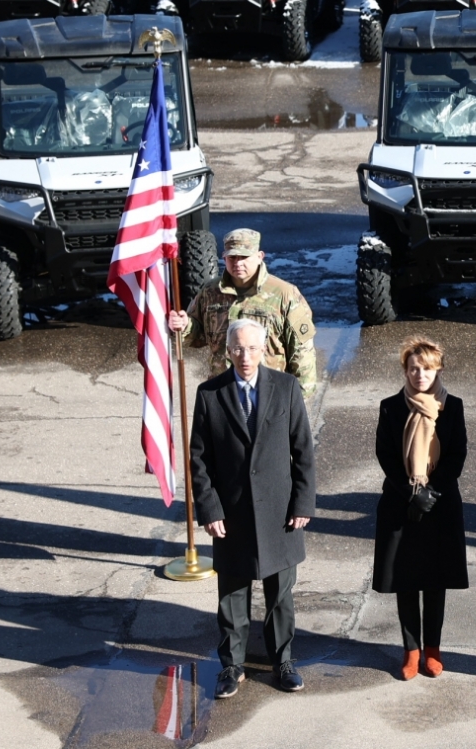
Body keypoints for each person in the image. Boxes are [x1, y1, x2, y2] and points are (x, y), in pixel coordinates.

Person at [189, 318, 317, 699]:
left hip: (280, 513)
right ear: (228, 351)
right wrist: (209, 510)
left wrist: (303, 502)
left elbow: (303, 452)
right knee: (232, 597)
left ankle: (284, 662)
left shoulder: (286, 387)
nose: (245, 356)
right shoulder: (210, 394)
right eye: (238, 348)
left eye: (253, 348)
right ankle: (232, 665)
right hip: (232, 516)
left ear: (265, 350)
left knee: (281, 595)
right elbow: (199, 460)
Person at [373, 337, 469, 682]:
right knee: (405, 581)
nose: (419, 375)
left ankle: (433, 650)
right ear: (405, 370)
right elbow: (385, 454)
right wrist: (410, 493)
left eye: (426, 369)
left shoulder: (452, 406)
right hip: (401, 504)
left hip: (440, 506)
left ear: (437, 369)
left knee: (436, 581)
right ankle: (411, 650)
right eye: (414, 368)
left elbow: (457, 454)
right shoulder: (390, 406)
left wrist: (432, 492)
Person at [168, 228, 318, 401]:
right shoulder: (210, 292)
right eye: (232, 257)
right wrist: (185, 326)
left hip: (269, 396)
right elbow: (198, 335)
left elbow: (301, 352)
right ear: (224, 257)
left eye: (244, 257)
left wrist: (298, 400)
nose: (237, 263)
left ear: (260, 256)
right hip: (223, 393)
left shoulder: (285, 295)